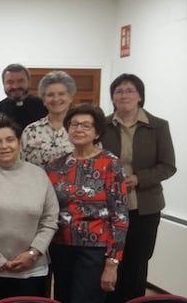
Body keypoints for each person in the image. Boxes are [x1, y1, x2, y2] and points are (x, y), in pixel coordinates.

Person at [0, 119, 58, 303]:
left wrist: (32, 253)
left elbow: (50, 220)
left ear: (19, 142)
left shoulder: (38, 175)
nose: (4, 146)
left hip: (31, 271)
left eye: (9, 140)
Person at [102, 74, 176, 303]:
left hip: (144, 207)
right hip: (108, 208)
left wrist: (138, 178)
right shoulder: (102, 125)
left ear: (140, 96)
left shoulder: (158, 126)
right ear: (112, 97)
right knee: (109, 264)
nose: (124, 95)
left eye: (130, 90)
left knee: (137, 263)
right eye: (118, 91)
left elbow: (168, 166)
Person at [45, 104, 129, 303]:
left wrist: (112, 263)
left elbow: (120, 216)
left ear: (97, 132)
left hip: (95, 250)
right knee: (62, 298)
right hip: (60, 246)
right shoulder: (55, 165)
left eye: (85, 125)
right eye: (73, 124)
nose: (78, 129)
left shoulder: (110, 163)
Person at [21, 71, 76, 167]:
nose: (56, 99)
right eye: (50, 95)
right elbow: (20, 165)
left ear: (70, 97)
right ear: (43, 100)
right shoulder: (30, 131)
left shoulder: (84, 128)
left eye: (61, 94)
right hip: (37, 182)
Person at [0, 63, 47, 132]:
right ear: (4, 84)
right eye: (10, 82)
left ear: (29, 82)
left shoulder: (45, 106)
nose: (15, 86)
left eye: (20, 81)